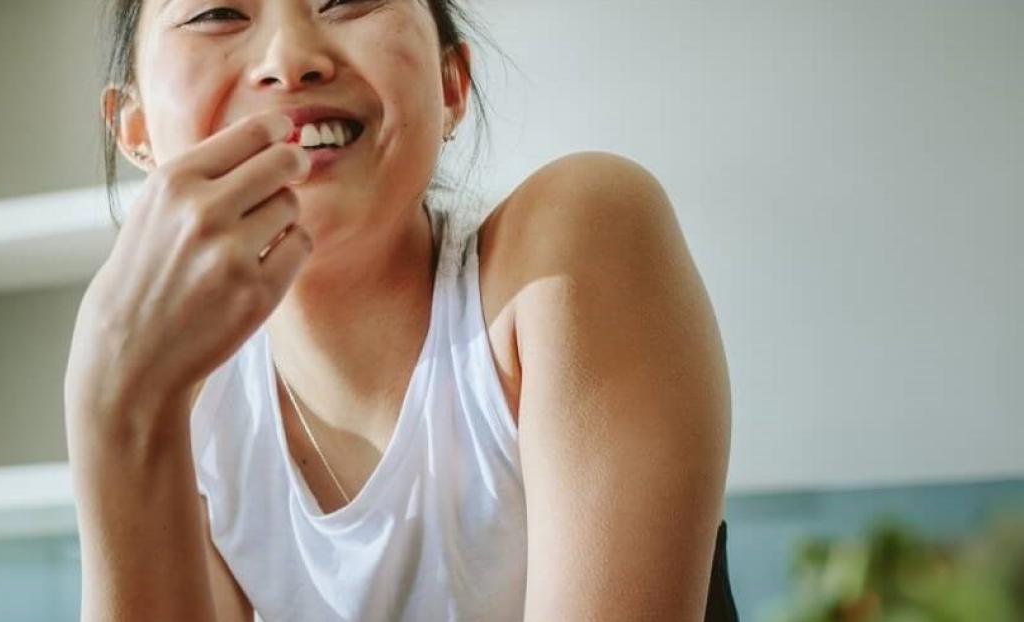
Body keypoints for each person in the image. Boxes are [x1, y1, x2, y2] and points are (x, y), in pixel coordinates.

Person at [62, 1, 736, 620]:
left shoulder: (575, 244)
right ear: (137, 130)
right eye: (217, 12)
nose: (291, 58)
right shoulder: (191, 407)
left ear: (450, 86)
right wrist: (113, 409)